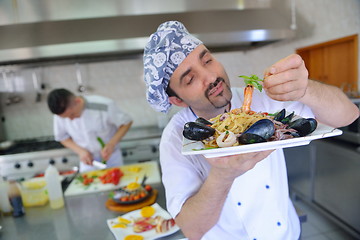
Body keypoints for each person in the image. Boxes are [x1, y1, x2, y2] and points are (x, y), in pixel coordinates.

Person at [143, 21, 359, 240]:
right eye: (190, 79)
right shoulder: (174, 138)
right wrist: (223, 175)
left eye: (207, 60)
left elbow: (348, 115)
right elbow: (192, 230)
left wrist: (306, 89)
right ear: (177, 100)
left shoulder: (262, 98)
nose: (210, 77)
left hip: (287, 234)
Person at [47, 89, 133, 172]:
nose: (71, 119)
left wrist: (111, 144)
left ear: (78, 101)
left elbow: (126, 122)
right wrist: (81, 151)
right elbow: (62, 138)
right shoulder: (60, 115)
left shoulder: (104, 105)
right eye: (66, 118)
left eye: (72, 114)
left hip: (111, 156)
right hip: (87, 160)